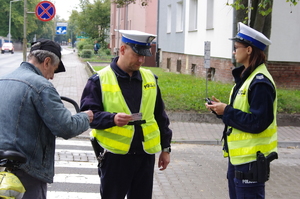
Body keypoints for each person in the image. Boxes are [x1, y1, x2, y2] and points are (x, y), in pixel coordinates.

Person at [80, 30, 172, 199]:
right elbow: (87, 116)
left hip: (144, 156)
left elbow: (160, 116)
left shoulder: (150, 78)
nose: (141, 60)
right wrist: (112, 119)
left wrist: (166, 149)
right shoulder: (99, 80)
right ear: (122, 50)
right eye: (137, 55)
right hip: (115, 158)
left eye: (144, 56)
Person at [0, 39, 94, 199]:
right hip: (25, 172)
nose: (51, 77)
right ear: (47, 62)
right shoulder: (41, 86)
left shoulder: (4, 79)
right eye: (54, 70)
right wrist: (85, 117)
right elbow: (65, 127)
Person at [205, 22, 278, 199]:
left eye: (236, 47)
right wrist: (221, 110)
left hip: (251, 162)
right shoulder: (247, 78)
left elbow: (258, 122)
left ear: (249, 50)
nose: (233, 51)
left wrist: (227, 111)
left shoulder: (260, 82)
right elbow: (242, 113)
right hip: (240, 161)